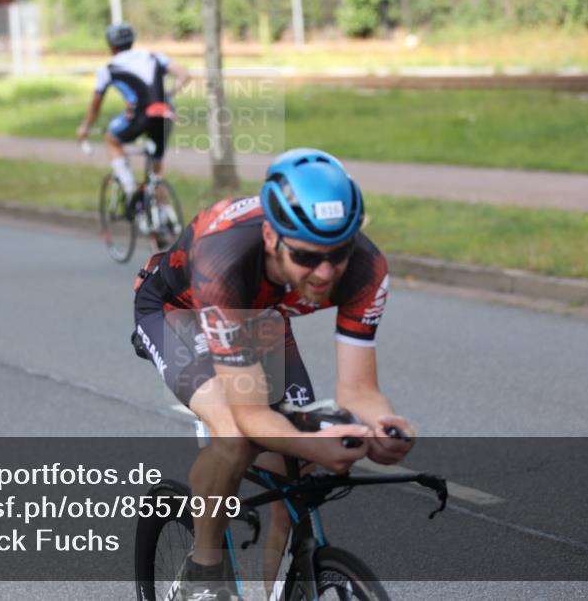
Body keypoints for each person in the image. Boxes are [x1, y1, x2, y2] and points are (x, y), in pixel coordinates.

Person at [131, 148, 415, 600]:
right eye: (306, 257)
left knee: (297, 468)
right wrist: (308, 439)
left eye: (337, 254)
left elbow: (360, 390)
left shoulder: (365, 268)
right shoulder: (222, 259)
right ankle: (205, 574)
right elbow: (248, 414)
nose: (324, 273)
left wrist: (386, 427)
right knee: (238, 438)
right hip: (178, 310)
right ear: (270, 235)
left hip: (260, 315)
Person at [76, 23, 189, 218]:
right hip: (164, 114)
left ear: (111, 46)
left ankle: (129, 187)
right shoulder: (154, 56)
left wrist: (85, 126)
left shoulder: (108, 69)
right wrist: (169, 95)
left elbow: (96, 105)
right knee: (157, 167)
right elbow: (184, 74)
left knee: (112, 138)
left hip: (139, 116)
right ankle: (162, 217)